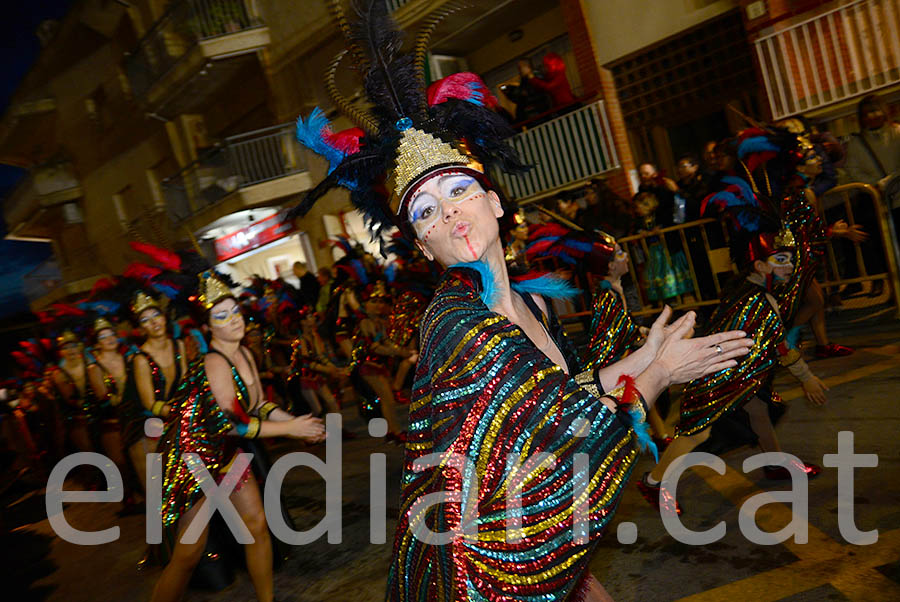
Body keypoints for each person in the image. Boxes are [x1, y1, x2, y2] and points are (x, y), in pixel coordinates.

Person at [289, 7, 752, 596]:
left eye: (458, 190)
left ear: (495, 203)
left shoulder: (529, 306)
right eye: (426, 211)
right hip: (483, 567)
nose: (449, 210)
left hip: (532, 541)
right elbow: (564, 425)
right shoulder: (456, 321)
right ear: (424, 246)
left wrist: (644, 357)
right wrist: (660, 374)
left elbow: (561, 397)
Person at [639, 188, 826, 516]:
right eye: (780, 260)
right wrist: (807, 378)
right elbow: (780, 347)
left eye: (791, 259)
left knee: (758, 410)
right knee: (697, 434)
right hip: (717, 377)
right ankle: (653, 482)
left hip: (736, 374)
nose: (789, 266)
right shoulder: (759, 302)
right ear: (759, 264)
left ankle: (774, 464)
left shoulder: (748, 289)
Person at [150, 271, 325, 602]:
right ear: (207, 327)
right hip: (192, 459)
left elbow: (258, 404)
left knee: (256, 527)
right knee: (189, 554)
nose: (233, 321)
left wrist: (299, 421)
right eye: (221, 316)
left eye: (235, 312)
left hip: (226, 453)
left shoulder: (244, 353)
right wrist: (292, 429)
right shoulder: (214, 362)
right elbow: (234, 425)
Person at [86, 316, 141, 512]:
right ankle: (128, 498)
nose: (109, 339)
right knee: (120, 463)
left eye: (111, 334)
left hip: (137, 417)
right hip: (113, 421)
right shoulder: (95, 368)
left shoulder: (130, 358)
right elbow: (104, 397)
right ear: (96, 343)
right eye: (103, 336)